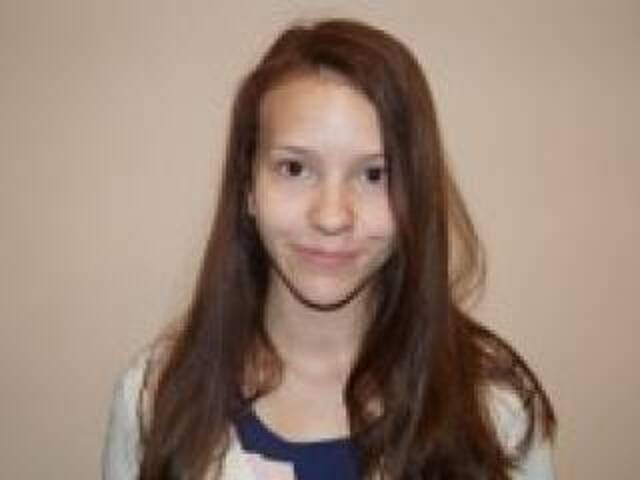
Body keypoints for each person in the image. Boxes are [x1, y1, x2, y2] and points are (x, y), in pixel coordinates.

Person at [103, 18, 556, 480]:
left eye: (374, 175)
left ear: (416, 195)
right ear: (248, 187)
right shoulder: (153, 399)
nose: (332, 216)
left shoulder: (497, 410)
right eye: (294, 168)